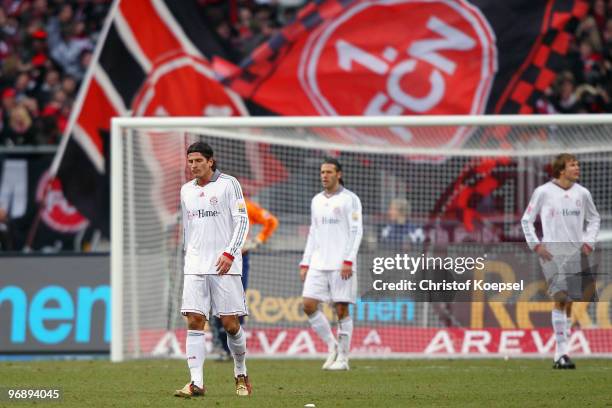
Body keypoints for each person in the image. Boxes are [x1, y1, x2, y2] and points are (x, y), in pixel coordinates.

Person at [174, 142, 252, 398]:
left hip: (224, 264)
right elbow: (188, 228)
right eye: (190, 161)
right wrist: (188, 259)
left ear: (211, 161)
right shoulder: (186, 191)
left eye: (198, 161)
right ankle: (196, 383)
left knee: (230, 324)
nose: (194, 165)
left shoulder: (229, 184)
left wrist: (230, 253)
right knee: (194, 320)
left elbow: (242, 221)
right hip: (195, 265)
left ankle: (240, 371)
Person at [521, 153, 600, 369]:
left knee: (569, 302)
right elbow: (527, 219)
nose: (577, 168)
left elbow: (594, 219)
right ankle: (561, 354)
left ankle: (561, 354)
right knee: (560, 297)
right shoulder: (543, 192)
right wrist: (536, 245)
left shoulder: (582, 193)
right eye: (572, 165)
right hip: (552, 252)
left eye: (577, 164)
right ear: (561, 170)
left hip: (576, 251)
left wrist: (588, 243)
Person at [300, 158, 363, 371]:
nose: (324, 176)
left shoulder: (350, 199)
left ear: (339, 174)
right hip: (318, 263)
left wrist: (348, 260)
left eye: (328, 172)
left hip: (341, 264)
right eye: (322, 172)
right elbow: (313, 232)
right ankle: (332, 345)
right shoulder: (316, 200)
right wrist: (305, 261)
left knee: (341, 309)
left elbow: (356, 231)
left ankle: (343, 359)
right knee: (308, 305)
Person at [210, 197, 278, 360]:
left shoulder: (245, 205)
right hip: (215, 257)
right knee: (216, 302)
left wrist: (256, 241)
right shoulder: (212, 205)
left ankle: (236, 347)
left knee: (236, 301)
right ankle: (222, 347)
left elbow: (271, 221)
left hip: (239, 258)